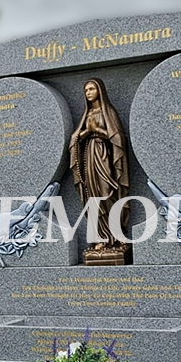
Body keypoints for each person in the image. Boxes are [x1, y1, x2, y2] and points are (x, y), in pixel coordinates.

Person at [52, 78, 130, 250]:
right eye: (86, 90)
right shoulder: (86, 115)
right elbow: (76, 138)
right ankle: (101, 237)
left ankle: (117, 235)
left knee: (108, 193)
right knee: (93, 197)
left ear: (99, 91)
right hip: (89, 156)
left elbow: (118, 138)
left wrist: (98, 131)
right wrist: (85, 133)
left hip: (105, 155)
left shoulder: (108, 111)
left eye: (92, 89)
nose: (88, 93)